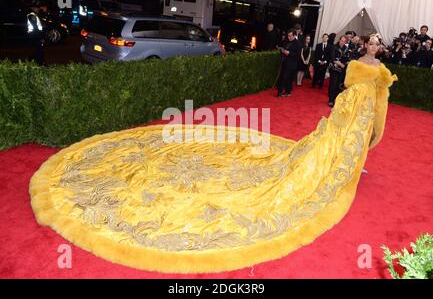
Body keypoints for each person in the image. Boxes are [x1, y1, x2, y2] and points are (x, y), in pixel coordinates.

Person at [29, 32, 398, 274]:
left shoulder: (381, 70)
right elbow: (349, 85)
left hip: (362, 113)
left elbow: (379, 96)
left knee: (350, 147)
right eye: (372, 42)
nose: (374, 47)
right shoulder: (357, 65)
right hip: (351, 107)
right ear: (366, 45)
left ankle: (354, 164)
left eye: (378, 44)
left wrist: (372, 113)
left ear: (379, 49)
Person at [276, 29, 301, 98]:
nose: (289, 37)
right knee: (283, 77)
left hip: (292, 64)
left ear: (294, 35)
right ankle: (282, 91)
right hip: (284, 62)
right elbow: (282, 49)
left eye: (290, 36)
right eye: (288, 36)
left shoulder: (298, 43)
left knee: (288, 78)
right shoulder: (286, 41)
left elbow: (298, 55)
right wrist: (282, 50)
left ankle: (285, 92)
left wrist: (289, 53)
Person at [328, 35, 348, 107]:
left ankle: (335, 99)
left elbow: (345, 58)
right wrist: (340, 64)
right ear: (339, 40)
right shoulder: (334, 46)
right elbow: (332, 58)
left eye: (344, 41)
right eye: (341, 40)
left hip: (341, 69)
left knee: (338, 85)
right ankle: (330, 100)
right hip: (334, 68)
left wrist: (345, 63)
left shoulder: (346, 48)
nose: (342, 42)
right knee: (333, 84)